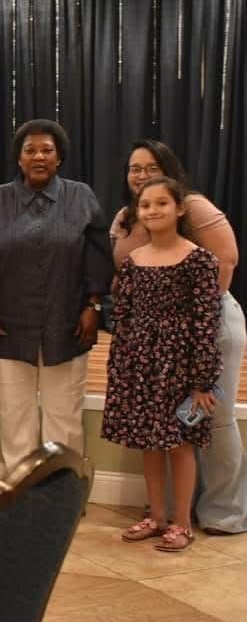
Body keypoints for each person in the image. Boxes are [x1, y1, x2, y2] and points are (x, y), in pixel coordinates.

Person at [110, 139, 247, 535]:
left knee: (210, 423)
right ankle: (163, 512)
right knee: (158, 433)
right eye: (135, 168)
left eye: (151, 167)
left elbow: (226, 260)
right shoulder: (126, 219)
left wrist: (188, 329)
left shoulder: (196, 210)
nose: (141, 175)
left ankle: (223, 513)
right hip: (148, 348)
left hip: (203, 330)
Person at [0, 119, 113, 470]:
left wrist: (93, 306)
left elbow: (97, 256)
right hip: (7, 326)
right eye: (30, 150)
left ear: (59, 157)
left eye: (47, 150)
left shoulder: (81, 197)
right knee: (16, 416)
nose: (39, 156)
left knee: (64, 416)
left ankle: (63, 496)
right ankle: (19, 494)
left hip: (67, 323)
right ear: (19, 158)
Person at [103, 177, 221, 552]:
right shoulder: (134, 261)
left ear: (180, 208)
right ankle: (155, 516)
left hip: (180, 366)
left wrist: (202, 380)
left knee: (180, 445)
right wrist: (121, 367)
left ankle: (181, 523)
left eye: (161, 203)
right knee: (148, 444)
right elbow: (123, 318)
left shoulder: (199, 259)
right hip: (140, 364)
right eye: (145, 205)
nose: (152, 210)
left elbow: (206, 321)